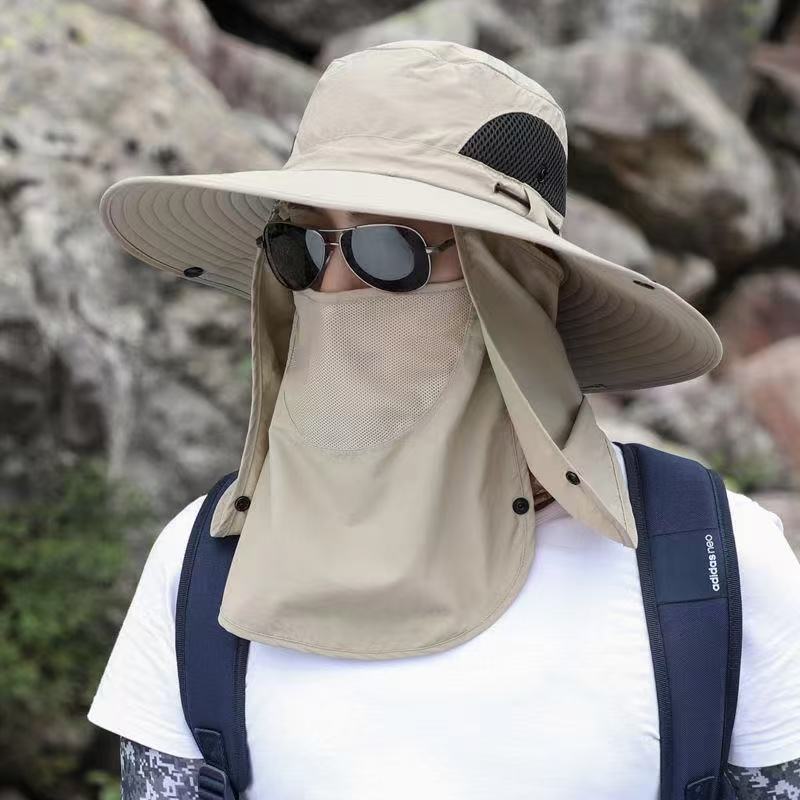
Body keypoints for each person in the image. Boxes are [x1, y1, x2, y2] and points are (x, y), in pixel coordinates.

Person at [86, 41, 800, 799]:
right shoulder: (204, 566)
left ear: (520, 281)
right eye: (300, 247)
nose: (331, 290)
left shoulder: (708, 559)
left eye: (388, 248)